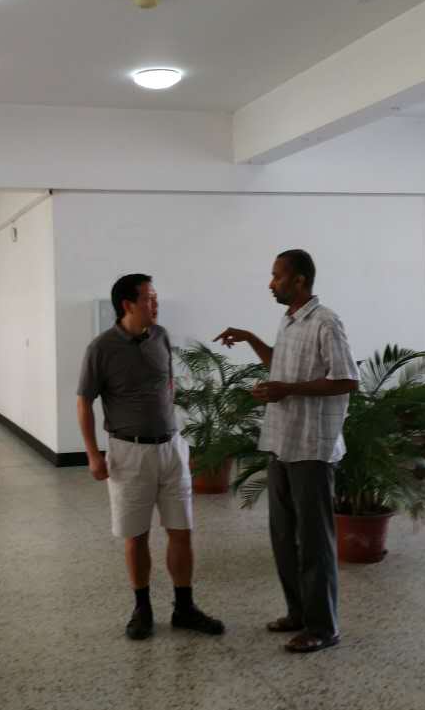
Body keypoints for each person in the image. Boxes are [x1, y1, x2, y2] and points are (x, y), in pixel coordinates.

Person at [216, 249, 358, 654]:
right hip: (282, 442)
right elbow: (282, 366)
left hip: (312, 447)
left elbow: (347, 380)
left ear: (299, 280)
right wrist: (251, 340)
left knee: (313, 541)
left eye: (277, 276)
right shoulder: (290, 320)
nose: (270, 283)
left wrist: (288, 389)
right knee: (283, 536)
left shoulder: (326, 322)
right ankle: (298, 614)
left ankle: (323, 627)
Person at [77, 273, 224, 642]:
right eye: (149, 298)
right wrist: (93, 454)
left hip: (171, 448)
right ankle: (142, 609)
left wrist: (174, 435)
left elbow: (168, 385)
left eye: (155, 298)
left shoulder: (160, 336)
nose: (155, 304)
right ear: (128, 304)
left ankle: (184, 607)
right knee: (136, 535)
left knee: (181, 530)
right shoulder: (101, 348)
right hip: (129, 452)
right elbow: (83, 402)